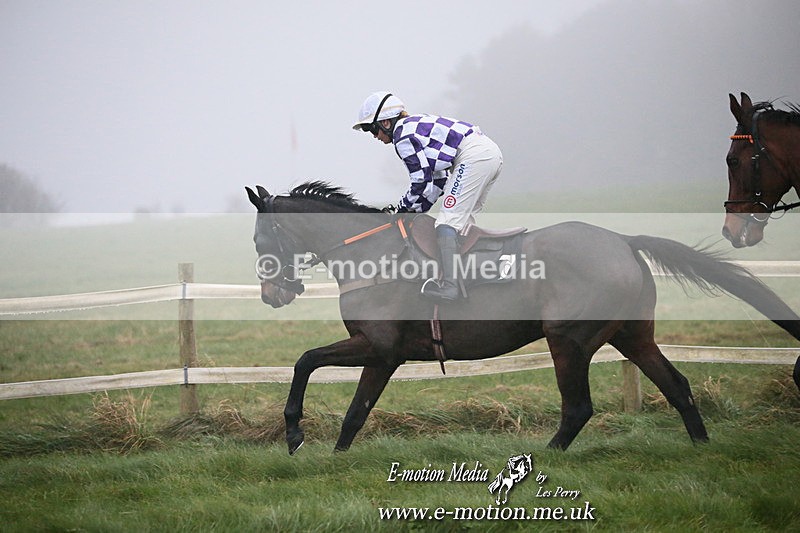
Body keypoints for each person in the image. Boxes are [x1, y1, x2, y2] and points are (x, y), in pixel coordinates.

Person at [353, 91, 503, 301]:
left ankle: (450, 287)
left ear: (386, 123)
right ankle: (471, 281)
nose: (374, 136)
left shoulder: (402, 136)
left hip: (474, 157)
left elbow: (420, 181)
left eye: (371, 129)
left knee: (447, 224)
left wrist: (403, 209)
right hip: (487, 154)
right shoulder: (413, 127)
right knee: (461, 225)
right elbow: (437, 182)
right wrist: (414, 210)